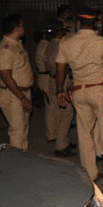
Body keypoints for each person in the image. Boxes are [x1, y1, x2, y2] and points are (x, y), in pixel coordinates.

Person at [56, 8, 103, 184]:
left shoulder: (66, 42)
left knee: (84, 133)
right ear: (96, 24)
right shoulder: (102, 42)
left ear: (78, 24)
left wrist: (60, 91)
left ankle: (91, 172)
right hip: (99, 89)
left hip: (78, 90)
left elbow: (60, 69)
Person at [0, 14, 34, 150]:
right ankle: (18, 165)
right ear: (17, 28)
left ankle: (24, 158)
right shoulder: (5, 50)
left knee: (23, 130)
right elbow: (6, 77)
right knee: (17, 132)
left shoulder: (16, 45)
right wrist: (22, 97)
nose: (24, 28)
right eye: (22, 25)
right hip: (13, 95)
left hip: (20, 93)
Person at [36, 18, 75, 156]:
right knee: (67, 112)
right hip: (60, 81)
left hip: (54, 79)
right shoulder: (58, 46)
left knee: (60, 112)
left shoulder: (49, 45)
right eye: (63, 30)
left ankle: (63, 141)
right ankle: (60, 144)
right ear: (59, 32)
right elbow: (61, 67)